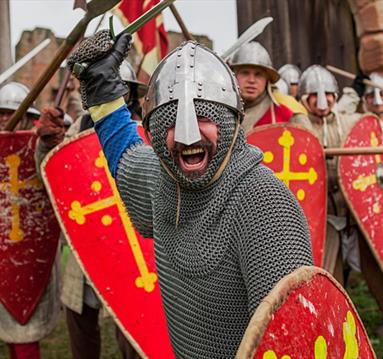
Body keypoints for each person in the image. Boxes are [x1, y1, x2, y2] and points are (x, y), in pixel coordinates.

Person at [68, 34, 313, 358]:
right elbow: (125, 156)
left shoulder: (264, 202)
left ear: (231, 121)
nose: (188, 136)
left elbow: (290, 337)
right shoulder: (162, 179)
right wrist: (103, 91)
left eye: (204, 118)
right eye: (171, 123)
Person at [35, 59, 147, 359]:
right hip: (86, 248)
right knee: (82, 333)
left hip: (131, 254)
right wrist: (49, 145)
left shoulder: (145, 130)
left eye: (115, 88)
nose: (108, 93)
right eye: (100, 87)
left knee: (134, 339)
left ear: (130, 93)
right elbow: (55, 175)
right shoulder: (82, 126)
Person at [0, 82, 60, 359]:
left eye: (9, 113)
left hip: (25, 256)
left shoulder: (38, 145)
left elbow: (48, 168)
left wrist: (48, 143)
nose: (4, 118)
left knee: (23, 341)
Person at [298, 65, 361, 283]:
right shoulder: (299, 126)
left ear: (335, 96)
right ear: (304, 98)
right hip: (325, 218)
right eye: (314, 95)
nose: (322, 101)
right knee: (330, 277)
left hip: (355, 213)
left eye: (327, 95)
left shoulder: (351, 123)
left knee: (376, 271)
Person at [229, 41, 310, 135]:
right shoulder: (222, 112)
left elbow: (309, 146)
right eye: (245, 73)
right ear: (234, 76)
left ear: (267, 79)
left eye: (258, 75)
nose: (251, 80)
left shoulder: (289, 114)